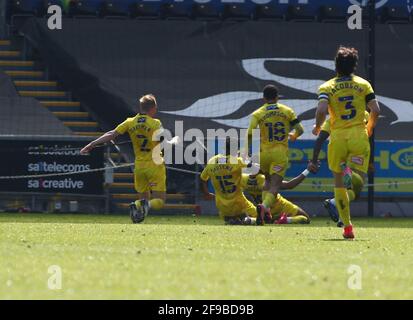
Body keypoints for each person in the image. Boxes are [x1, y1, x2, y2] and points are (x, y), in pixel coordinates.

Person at [311, 46, 380, 239]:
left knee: (338, 183)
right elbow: (375, 109)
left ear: (336, 66)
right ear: (354, 66)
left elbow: (321, 110)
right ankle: (350, 170)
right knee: (357, 182)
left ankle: (347, 227)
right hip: (359, 135)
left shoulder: (327, 87)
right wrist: (370, 127)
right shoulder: (364, 84)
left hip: (338, 137)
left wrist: (317, 126)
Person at [80, 94, 167, 223]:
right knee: (159, 201)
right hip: (155, 165)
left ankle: (138, 206)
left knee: (143, 199)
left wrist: (92, 144)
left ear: (141, 107)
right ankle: (145, 206)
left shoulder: (130, 122)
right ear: (153, 108)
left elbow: (111, 134)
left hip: (139, 167)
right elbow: (162, 139)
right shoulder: (156, 123)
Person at [247, 84, 304, 225]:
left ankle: (265, 213)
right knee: (275, 185)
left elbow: (249, 133)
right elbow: (300, 129)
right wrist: (294, 136)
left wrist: (248, 152)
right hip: (279, 153)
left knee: (267, 181)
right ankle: (264, 206)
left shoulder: (258, 113)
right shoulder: (287, 111)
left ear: (264, 98)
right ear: (277, 97)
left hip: (263, 153)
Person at [311, 112, 369, 227]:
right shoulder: (362, 113)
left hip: (337, 150)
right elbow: (368, 130)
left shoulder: (332, 119)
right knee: (357, 187)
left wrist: (314, 160)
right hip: (356, 148)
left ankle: (343, 219)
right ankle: (334, 202)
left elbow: (320, 139)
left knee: (344, 188)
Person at [200, 138, 257, 225]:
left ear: (224, 147)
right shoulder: (237, 161)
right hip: (238, 203)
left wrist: (206, 193)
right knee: (260, 217)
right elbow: (253, 166)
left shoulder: (212, 161)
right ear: (235, 150)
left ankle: (233, 219)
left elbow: (203, 179)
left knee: (233, 218)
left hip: (222, 207)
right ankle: (246, 220)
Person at [241, 162, 317, 225]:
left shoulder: (243, 179)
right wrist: (307, 170)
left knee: (265, 219)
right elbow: (290, 185)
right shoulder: (264, 179)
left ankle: (250, 220)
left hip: (263, 210)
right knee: (306, 218)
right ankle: (286, 220)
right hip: (280, 206)